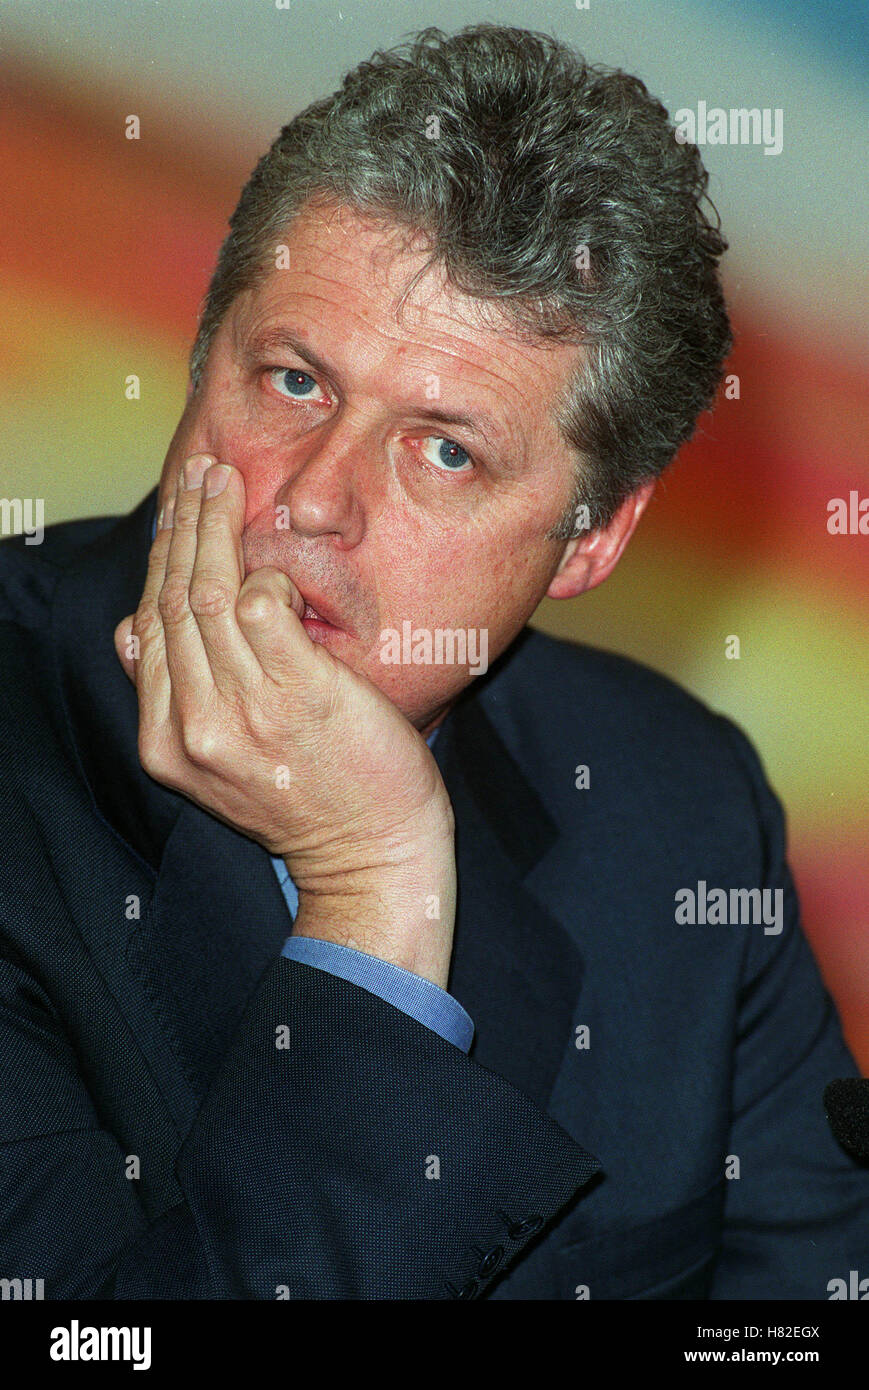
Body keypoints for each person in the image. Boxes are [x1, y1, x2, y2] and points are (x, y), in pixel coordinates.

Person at [0, 23, 864, 1301]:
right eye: (293, 381)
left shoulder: (676, 806)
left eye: (444, 449)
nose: (311, 500)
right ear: (201, 353)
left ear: (590, 539)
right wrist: (374, 888)